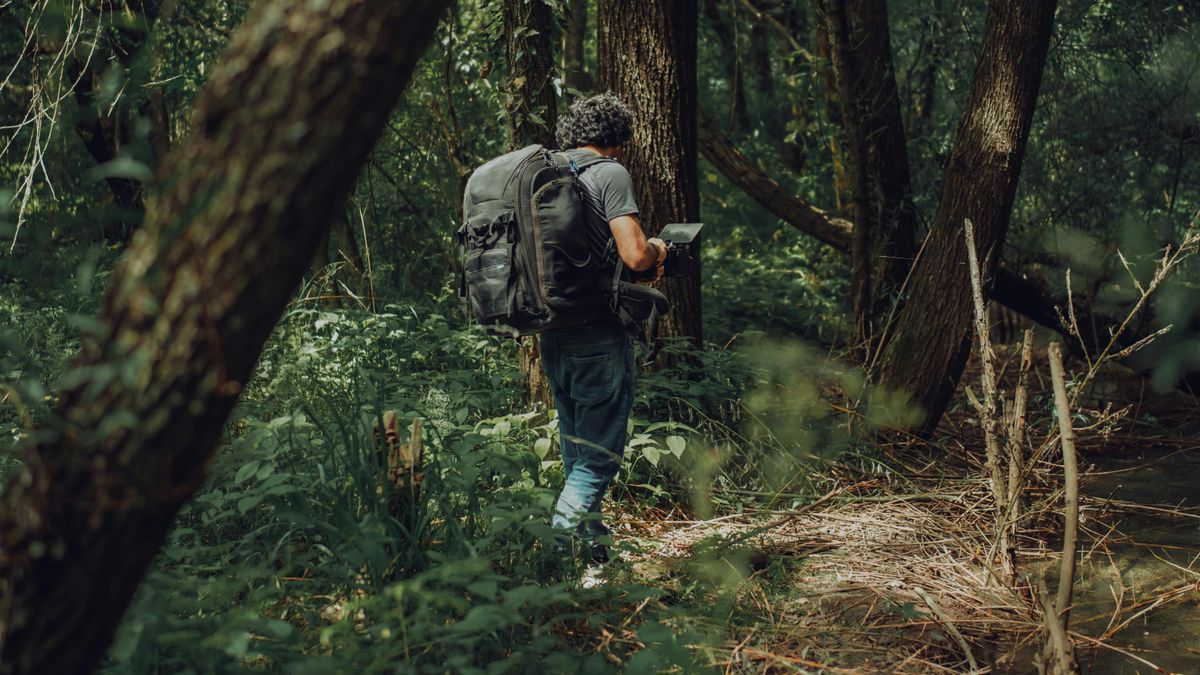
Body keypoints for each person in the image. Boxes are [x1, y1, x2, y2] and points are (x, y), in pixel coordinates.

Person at [541, 94, 666, 570]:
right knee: (597, 460)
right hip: (597, 332)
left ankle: (595, 561)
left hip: (553, 330)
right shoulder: (608, 172)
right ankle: (555, 564)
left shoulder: (547, 173)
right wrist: (658, 249)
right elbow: (634, 255)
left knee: (578, 454)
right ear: (616, 138)